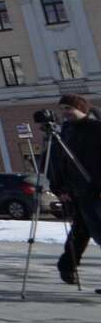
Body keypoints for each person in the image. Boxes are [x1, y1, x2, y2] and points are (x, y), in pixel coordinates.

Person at [50, 92, 101, 291]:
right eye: (62, 110)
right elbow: (59, 161)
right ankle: (67, 266)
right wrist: (59, 187)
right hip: (78, 191)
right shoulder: (66, 132)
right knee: (80, 231)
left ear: (81, 108)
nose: (65, 113)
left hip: (96, 189)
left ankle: (66, 265)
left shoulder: (97, 129)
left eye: (68, 108)